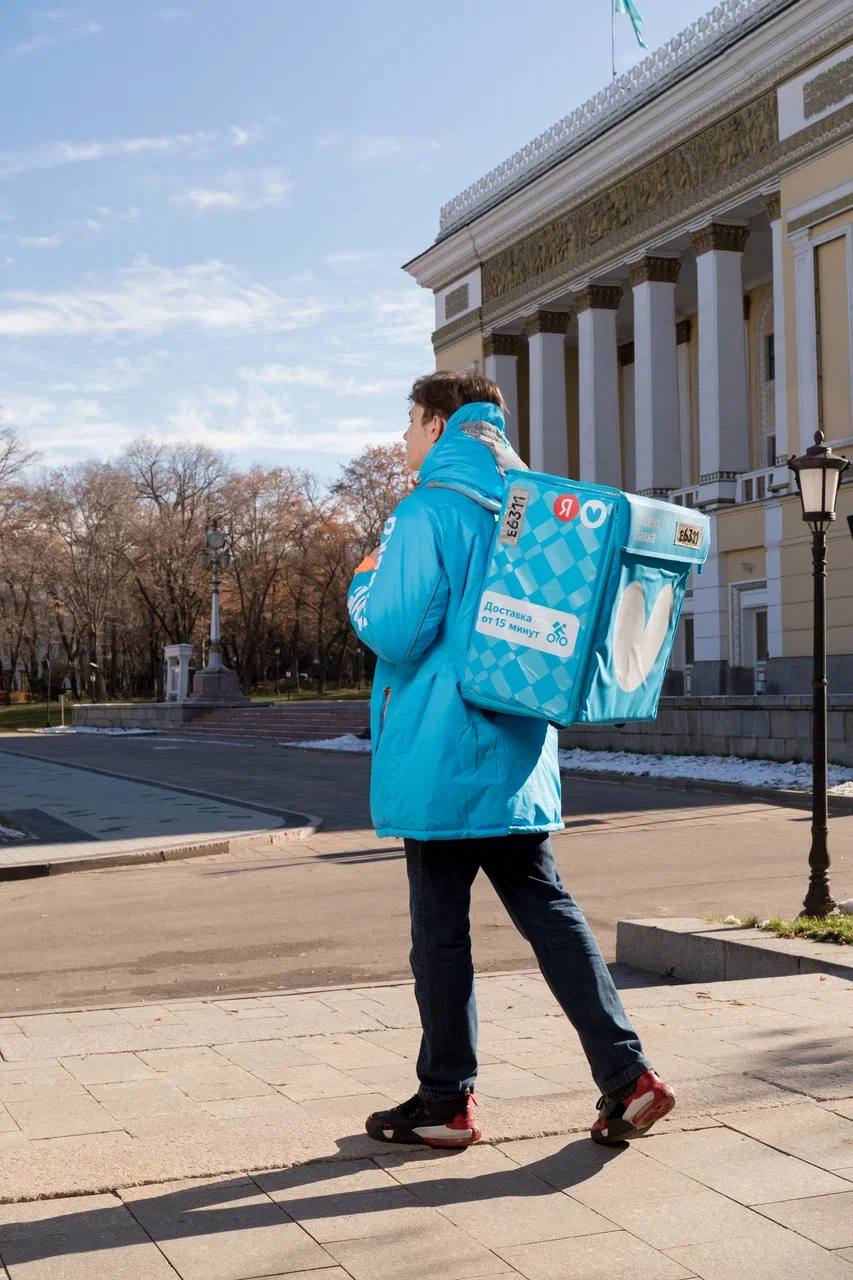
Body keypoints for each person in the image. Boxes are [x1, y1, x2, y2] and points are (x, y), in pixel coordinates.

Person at [347, 370, 674, 1148]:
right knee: (552, 918)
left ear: (435, 424)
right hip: (516, 752)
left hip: (437, 753)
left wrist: (361, 583)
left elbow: (395, 631)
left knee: (439, 936)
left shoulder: (427, 509)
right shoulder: (525, 508)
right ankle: (627, 1076)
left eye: (408, 424)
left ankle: (445, 1101)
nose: (402, 440)